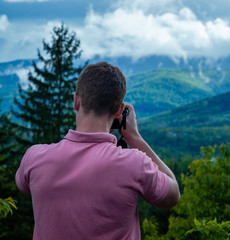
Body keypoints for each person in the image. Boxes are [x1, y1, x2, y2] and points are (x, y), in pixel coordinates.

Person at [15, 62, 180, 240]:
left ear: (76, 101)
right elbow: (173, 195)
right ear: (118, 111)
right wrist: (134, 138)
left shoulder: (34, 157)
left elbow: (23, 186)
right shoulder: (135, 164)